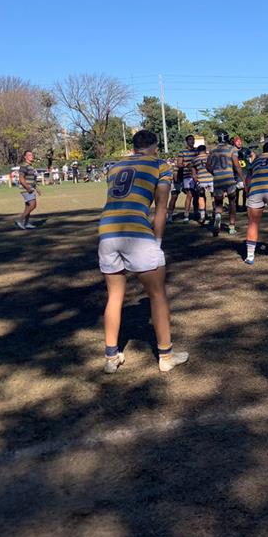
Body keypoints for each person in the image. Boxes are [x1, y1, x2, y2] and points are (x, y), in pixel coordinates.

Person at [97, 129, 188, 374]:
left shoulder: (115, 167)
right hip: (136, 232)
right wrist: (157, 240)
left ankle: (111, 356)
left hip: (106, 231)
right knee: (157, 294)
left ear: (135, 146)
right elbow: (160, 208)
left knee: (114, 296)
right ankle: (166, 356)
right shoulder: (160, 165)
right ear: (155, 146)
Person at [206, 129, 244, 236]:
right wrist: (243, 178)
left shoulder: (213, 150)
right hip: (229, 179)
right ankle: (231, 227)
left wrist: (215, 173)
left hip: (218, 179)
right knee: (232, 202)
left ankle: (218, 216)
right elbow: (236, 165)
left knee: (218, 203)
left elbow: (207, 165)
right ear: (227, 138)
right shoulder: (232, 149)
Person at [171, 134, 201, 222]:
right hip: (187, 175)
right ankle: (186, 215)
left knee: (197, 195)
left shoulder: (197, 151)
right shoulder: (182, 152)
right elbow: (179, 164)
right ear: (187, 141)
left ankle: (196, 213)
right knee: (189, 195)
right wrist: (186, 165)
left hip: (197, 176)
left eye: (193, 139)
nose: (192, 141)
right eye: (190, 139)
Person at [15, 150, 41, 230]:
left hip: (30, 188)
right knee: (33, 205)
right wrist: (27, 188)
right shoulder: (24, 166)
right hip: (26, 189)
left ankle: (26, 223)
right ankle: (20, 220)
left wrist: (36, 188)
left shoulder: (31, 167)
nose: (31, 156)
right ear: (25, 157)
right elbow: (21, 178)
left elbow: (32, 180)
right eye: (29, 155)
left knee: (28, 207)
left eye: (32, 155)